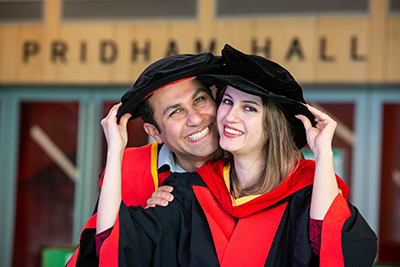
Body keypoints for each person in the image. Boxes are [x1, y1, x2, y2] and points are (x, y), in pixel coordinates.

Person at [97, 44, 377, 266]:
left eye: (250, 108)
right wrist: (115, 152)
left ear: (272, 125)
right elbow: (114, 250)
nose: (230, 116)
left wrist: (323, 153)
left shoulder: (307, 193)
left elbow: (334, 250)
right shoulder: (190, 192)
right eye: (228, 102)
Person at [66, 52, 226, 267]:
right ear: (154, 132)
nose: (196, 118)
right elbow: (103, 253)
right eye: (175, 112)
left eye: (199, 100)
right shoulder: (127, 172)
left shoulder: (251, 164)